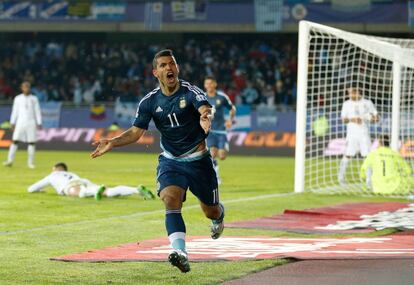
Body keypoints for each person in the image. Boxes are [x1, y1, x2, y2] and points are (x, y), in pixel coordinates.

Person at [91, 49, 224, 273]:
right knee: (170, 199)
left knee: (210, 211)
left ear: (177, 68)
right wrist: (113, 142)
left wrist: (205, 117)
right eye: (163, 65)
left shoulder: (190, 91)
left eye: (171, 64)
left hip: (199, 160)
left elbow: (205, 108)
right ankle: (180, 252)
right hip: (171, 160)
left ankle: (219, 217)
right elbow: (135, 132)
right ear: (156, 72)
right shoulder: (149, 102)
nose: (168, 68)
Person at [28, 162, 155, 200]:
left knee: (76, 192)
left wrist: (40, 190)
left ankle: (92, 192)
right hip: (82, 180)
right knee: (108, 191)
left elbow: (32, 188)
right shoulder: (70, 173)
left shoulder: (52, 175)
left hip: (70, 185)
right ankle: (135, 190)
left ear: (55, 168)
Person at [338, 86, 379, 185]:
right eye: (348, 92)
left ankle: (369, 180)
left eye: (351, 92)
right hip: (351, 134)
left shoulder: (367, 103)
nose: (349, 94)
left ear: (358, 92)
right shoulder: (346, 104)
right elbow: (343, 119)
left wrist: (372, 118)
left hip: (364, 134)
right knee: (348, 155)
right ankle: (341, 178)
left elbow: (376, 118)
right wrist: (353, 119)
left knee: (367, 156)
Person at [204, 76, 236, 184]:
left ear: (215, 84)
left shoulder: (222, 97)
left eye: (210, 83)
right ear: (205, 85)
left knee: (222, 156)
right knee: (212, 154)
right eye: (206, 84)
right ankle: (216, 177)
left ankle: (217, 160)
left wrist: (230, 120)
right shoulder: (202, 98)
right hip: (209, 131)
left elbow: (232, 108)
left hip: (221, 131)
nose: (208, 86)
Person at [3, 82, 42, 169]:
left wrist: (39, 122)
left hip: (31, 122)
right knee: (15, 140)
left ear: (30, 88)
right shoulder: (18, 98)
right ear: (22, 88)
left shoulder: (34, 99)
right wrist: (12, 122)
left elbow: (37, 111)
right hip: (20, 122)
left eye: (28, 87)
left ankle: (30, 163)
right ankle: (10, 160)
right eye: (24, 87)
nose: (26, 89)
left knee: (31, 142)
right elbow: (15, 111)